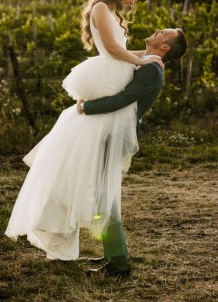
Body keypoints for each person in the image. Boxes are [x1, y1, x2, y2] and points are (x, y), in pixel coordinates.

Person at [4, 0, 164, 269]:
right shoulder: (102, 8)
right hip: (108, 75)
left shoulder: (114, 14)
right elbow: (114, 49)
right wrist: (144, 60)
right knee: (95, 176)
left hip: (115, 78)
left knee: (101, 180)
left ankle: (113, 253)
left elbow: (126, 51)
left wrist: (151, 57)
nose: (134, 0)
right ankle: (112, 253)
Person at [77, 27, 187, 276]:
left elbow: (122, 100)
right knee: (102, 194)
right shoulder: (147, 63)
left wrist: (87, 107)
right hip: (113, 132)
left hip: (117, 136)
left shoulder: (151, 70)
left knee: (106, 196)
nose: (158, 30)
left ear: (165, 47)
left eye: (164, 32)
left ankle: (118, 263)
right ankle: (113, 254)